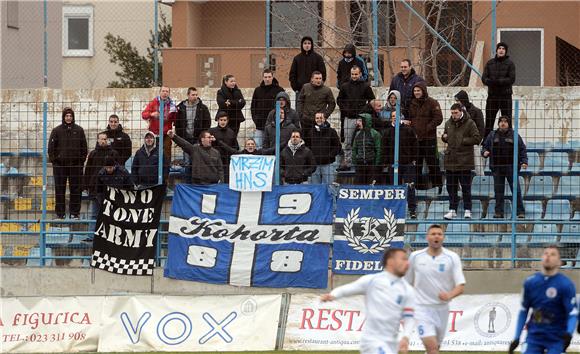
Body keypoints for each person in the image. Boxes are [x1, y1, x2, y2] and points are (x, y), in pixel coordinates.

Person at [320, 248, 416, 354]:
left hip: (392, 343)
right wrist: (333, 295)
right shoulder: (372, 280)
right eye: (403, 259)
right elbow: (347, 289)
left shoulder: (408, 290)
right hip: (372, 341)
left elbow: (409, 318)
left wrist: (406, 337)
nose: (407, 263)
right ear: (390, 261)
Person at [405, 224, 466, 354]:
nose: (436, 236)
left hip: (442, 309)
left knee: (435, 348)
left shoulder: (452, 257)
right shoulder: (416, 257)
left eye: (439, 234)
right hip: (421, 309)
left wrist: (449, 295)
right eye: (433, 234)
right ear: (427, 237)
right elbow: (406, 283)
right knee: (432, 348)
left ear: (443, 237)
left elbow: (460, 286)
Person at [509, 246, 578, 354]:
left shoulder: (566, 285)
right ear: (541, 258)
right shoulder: (530, 283)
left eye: (553, 254)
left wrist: (568, 334)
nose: (548, 256)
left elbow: (572, 313)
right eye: (546, 253)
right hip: (534, 337)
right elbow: (523, 310)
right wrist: (517, 337)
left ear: (560, 262)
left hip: (556, 337)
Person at [482, 116, 528, 218]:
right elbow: (485, 146)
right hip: (497, 167)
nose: (503, 123)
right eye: (501, 122)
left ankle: (520, 212)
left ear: (508, 124)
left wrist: (524, 161)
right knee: (498, 191)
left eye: (505, 122)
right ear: (498, 123)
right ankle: (499, 212)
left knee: (516, 190)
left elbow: (522, 149)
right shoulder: (492, 135)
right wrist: (484, 152)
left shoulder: (514, 135)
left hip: (511, 167)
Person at [441, 103, 481, 219]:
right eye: (452, 113)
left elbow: (477, 138)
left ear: (461, 111)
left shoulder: (470, 123)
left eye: (456, 113)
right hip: (451, 160)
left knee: (465, 187)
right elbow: (447, 137)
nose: (454, 115)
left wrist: (462, 140)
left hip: (464, 161)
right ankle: (452, 209)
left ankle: (467, 209)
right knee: (451, 187)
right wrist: (445, 138)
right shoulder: (448, 123)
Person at [48, 107, 88, 220]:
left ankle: (75, 213)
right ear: (63, 117)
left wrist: (80, 162)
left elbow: (84, 148)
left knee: (76, 189)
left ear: (73, 117)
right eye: (66, 116)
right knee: (59, 189)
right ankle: (60, 214)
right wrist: (55, 161)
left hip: (75, 166)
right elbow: (51, 148)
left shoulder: (79, 130)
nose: (68, 118)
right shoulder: (56, 130)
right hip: (60, 166)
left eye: (70, 116)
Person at [337, 66, 375, 170]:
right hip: (349, 118)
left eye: (356, 74)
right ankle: (348, 163)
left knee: (363, 140)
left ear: (360, 74)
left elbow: (372, 101)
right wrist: (345, 110)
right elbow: (339, 100)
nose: (354, 76)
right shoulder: (344, 86)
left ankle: (362, 161)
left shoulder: (366, 86)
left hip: (362, 118)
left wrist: (364, 111)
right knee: (348, 141)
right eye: (352, 74)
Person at [383, 110, 419, 218]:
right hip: (393, 165)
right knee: (394, 188)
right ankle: (395, 210)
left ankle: (412, 209)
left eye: (396, 116)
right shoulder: (387, 132)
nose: (394, 117)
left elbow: (415, 146)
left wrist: (414, 159)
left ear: (400, 117)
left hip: (407, 164)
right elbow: (384, 148)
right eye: (392, 116)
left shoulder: (408, 130)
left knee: (410, 187)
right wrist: (387, 162)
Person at [408, 82, 443, 190]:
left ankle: (438, 187)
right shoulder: (411, 103)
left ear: (423, 91)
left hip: (429, 139)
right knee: (417, 165)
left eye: (418, 90)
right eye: (415, 91)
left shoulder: (432, 103)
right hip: (416, 139)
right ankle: (418, 188)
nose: (416, 93)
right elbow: (409, 119)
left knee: (432, 164)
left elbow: (438, 118)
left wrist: (427, 128)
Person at [83, 131, 120, 229]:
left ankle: (109, 236)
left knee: (110, 213)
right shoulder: (93, 154)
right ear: (98, 140)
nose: (103, 141)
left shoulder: (113, 153)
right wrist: (86, 186)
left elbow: (118, 170)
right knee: (94, 214)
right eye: (101, 139)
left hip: (110, 189)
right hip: (95, 188)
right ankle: (92, 236)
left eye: (105, 139)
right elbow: (88, 171)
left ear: (107, 140)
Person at [175, 86, 211, 183]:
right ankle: (187, 184)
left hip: (197, 139)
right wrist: (180, 139)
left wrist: (202, 138)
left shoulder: (202, 108)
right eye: (193, 95)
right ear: (188, 95)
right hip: (185, 139)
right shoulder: (180, 108)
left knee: (198, 162)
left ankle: (197, 183)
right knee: (187, 162)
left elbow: (207, 123)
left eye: (196, 95)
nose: (195, 97)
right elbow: (177, 124)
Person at [482, 42, 516, 138]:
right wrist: (492, 82)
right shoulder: (490, 63)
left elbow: (511, 79)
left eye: (503, 49)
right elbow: (484, 78)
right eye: (499, 48)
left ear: (506, 51)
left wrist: (498, 81)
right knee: (489, 120)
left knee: (507, 120)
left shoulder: (510, 64)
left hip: (506, 97)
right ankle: (486, 142)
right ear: (496, 50)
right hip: (492, 97)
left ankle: (509, 141)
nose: (501, 50)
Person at [296, 71, 336, 144]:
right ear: (312, 79)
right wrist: (300, 114)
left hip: (319, 121)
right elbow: (300, 101)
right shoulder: (305, 87)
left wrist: (325, 115)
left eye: (320, 78)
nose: (318, 80)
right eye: (316, 78)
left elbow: (332, 104)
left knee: (318, 142)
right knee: (306, 141)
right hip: (306, 120)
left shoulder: (327, 90)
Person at [250, 69, 285, 148]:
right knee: (258, 145)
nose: (267, 79)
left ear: (273, 77)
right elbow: (253, 106)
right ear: (262, 77)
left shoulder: (279, 90)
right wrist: (256, 119)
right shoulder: (257, 90)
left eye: (269, 77)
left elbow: (284, 106)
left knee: (274, 145)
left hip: (275, 124)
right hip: (260, 123)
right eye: (265, 77)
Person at [141, 86, 177, 161]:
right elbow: (143, 115)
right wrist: (151, 114)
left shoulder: (172, 105)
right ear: (160, 92)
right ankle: (154, 169)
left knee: (167, 152)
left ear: (169, 93)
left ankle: (166, 169)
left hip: (166, 133)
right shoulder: (153, 103)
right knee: (153, 152)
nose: (165, 93)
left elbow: (175, 119)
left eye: (167, 91)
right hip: (154, 133)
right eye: (163, 91)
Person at [454, 90, 485, 176]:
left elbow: (481, 128)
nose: (457, 103)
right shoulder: (456, 113)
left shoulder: (477, 111)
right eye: (456, 101)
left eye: (458, 100)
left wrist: (477, 141)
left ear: (463, 100)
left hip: (473, 143)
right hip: (461, 143)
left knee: (478, 166)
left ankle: (480, 183)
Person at [307, 112, 341, 184]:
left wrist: (329, 156)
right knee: (315, 188)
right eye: (317, 118)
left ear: (325, 119)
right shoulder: (311, 132)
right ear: (315, 119)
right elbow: (307, 147)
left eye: (321, 118)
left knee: (329, 187)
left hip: (328, 164)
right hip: (315, 165)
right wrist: (311, 158)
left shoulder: (331, 131)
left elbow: (337, 146)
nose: (319, 120)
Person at [208, 111, 239, 183]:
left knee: (225, 180)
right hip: (214, 161)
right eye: (221, 120)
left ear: (227, 121)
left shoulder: (231, 132)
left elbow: (235, 148)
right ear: (217, 120)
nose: (223, 122)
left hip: (226, 161)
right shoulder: (211, 131)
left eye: (224, 120)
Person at [352, 113, 381, 185]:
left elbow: (379, 149)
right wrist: (355, 161)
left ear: (366, 122)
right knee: (358, 186)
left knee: (370, 186)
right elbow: (354, 148)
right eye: (358, 121)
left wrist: (376, 164)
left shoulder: (375, 134)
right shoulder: (357, 133)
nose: (358, 123)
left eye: (360, 121)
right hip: (360, 164)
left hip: (371, 164)